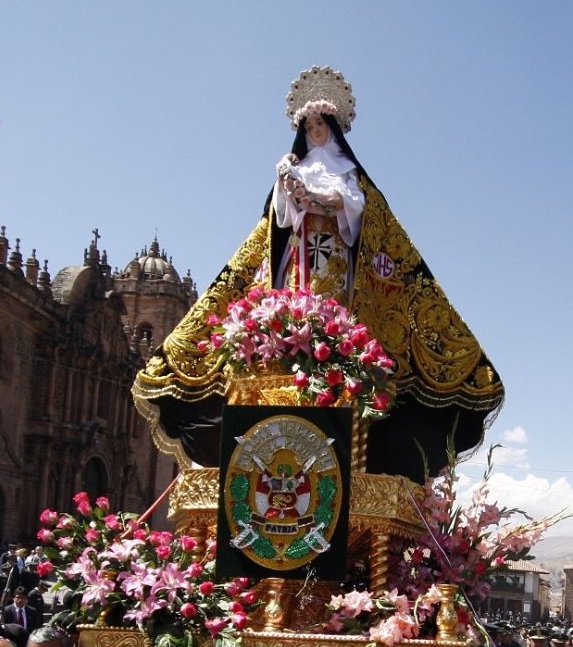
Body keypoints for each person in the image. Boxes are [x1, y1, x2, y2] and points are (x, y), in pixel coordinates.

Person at [134, 68, 501, 485]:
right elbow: (279, 222)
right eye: (309, 126)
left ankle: (334, 353)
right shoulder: (294, 166)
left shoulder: (346, 170)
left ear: (333, 128)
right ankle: (291, 348)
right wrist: (289, 189)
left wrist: (328, 200)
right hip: (298, 259)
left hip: (338, 265)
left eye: (320, 125)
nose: (315, 132)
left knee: (334, 316)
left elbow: (360, 212)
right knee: (290, 317)